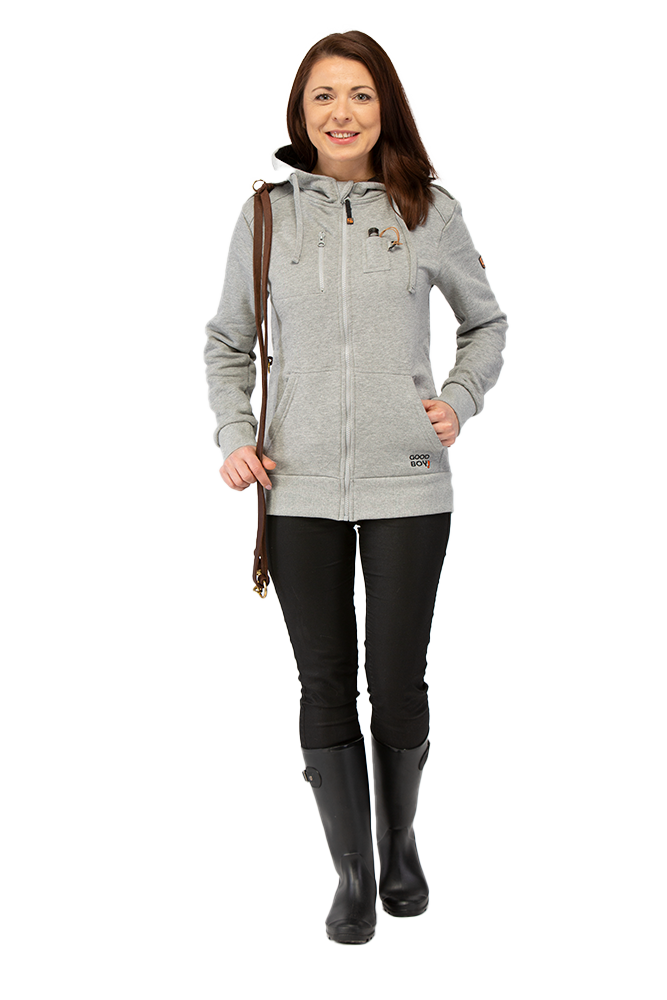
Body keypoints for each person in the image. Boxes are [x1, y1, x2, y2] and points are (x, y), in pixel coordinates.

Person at [204, 29, 507, 945]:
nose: (342, 113)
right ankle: (352, 872)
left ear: (386, 108)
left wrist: (458, 398)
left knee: (397, 677)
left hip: (408, 481)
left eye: (361, 95)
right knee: (324, 679)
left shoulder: (428, 210)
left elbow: (485, 324)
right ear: (300, 113)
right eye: (324, 96)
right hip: (296, 485)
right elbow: (226, 342)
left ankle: (399, 844)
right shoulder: (265, 216)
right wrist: (235, 434)